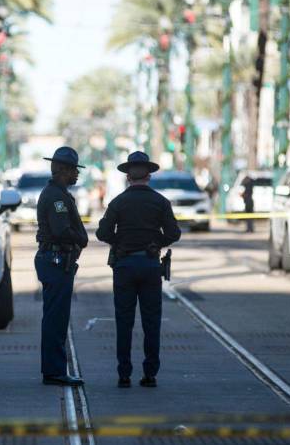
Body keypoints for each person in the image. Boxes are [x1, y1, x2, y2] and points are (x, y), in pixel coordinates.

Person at [96, 151, 181, 388]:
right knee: (151, 322)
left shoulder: (118, 202)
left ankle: (124, 374)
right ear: (149, 176)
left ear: (127, 177)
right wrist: (158, 243)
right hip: (151, 266)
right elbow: (174, 233)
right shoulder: (160, 202)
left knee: (124, 322)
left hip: (124, 266)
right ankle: (150, 374)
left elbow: (102, 233)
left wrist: (119, 241)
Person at [35, 146, 88, 387]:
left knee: (56, 317)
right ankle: (55, 371)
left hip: (57, 262)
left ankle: (53, 369)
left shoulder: (59, 193)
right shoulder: (56, 196)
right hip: (55, 262)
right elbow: (60, 230)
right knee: (56, 319)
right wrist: (80, 238)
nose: (76, 175)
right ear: (63, 171)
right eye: (73, 170)